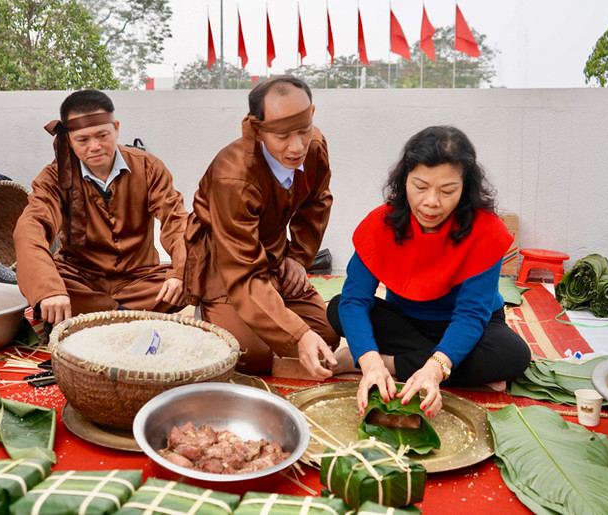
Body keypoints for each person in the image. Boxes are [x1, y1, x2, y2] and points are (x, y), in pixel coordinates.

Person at [327, 126, 531, 418]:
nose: (431, 202)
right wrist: (370, 363)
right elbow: (354, 300)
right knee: (337, 309)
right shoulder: (381, 223)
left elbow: (471, 316)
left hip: (473, 326)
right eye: (420, 187)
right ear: (404, 180)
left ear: (465, 189)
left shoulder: (485, 231)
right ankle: (459, 369)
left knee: (511, 355)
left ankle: (386, 362)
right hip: (407, 324)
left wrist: (435, 369)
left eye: (447, 190)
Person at [184, 75, 339, 378]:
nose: (297, 147)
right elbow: (242, 271)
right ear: (258, 130)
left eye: (303, 130)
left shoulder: (315, 146)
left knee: (327, 335)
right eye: (282, 136)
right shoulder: (233, 176)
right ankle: (210, 309)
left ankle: (272, 311)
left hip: (275, 254)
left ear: (313, 115)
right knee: (249, 356)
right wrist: (298, 336)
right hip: (225, 260)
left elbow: (317, 201)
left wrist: (297, 258)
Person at [14, 89, 189, 326]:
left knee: (193, 275)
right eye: (83, 140)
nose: (95, 146)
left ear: (116, 128)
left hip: (140, 280)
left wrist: (179, 273)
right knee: (46, 282)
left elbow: (177, 222)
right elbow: (31, 229)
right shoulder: (53, 177)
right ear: (69, 141)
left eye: (102, 135)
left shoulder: (148, 167)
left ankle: (95, 316)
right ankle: (130, 316)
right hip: (80, 280)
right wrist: (49, 290)